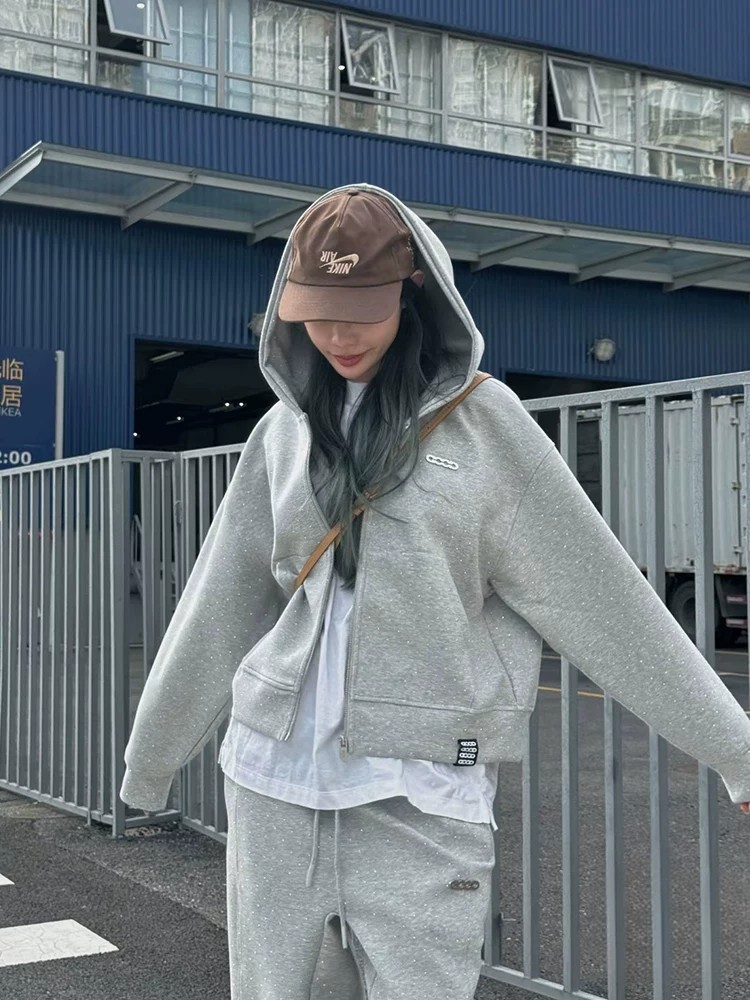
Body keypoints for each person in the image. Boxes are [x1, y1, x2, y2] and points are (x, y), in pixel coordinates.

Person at [120, 184, 750, 1000]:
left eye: (362, 309)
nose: (338, 335)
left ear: (414, 289)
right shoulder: (281, 433)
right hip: (271, 788)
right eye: (317, 312)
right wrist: (153, 756)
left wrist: (734, 747)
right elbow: (223, 599)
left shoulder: (488, 426)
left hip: (421, 799)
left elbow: (602, 599)